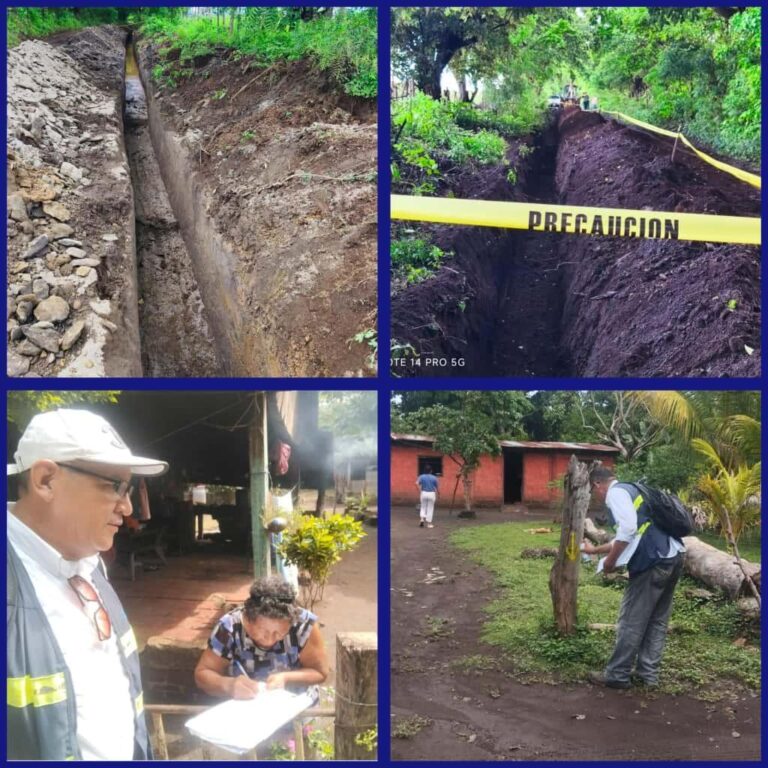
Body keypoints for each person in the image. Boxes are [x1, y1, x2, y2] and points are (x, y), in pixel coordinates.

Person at [7, 408, 169, 760]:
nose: (127, 508)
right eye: (115, 486)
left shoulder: (88, 563)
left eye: (130, 489)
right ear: (46, 480)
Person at [582, 467, 685, 689]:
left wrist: (610, 562)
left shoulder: (616, 493)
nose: (597, 495)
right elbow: (631, 532)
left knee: (631, 620)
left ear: (597, 484)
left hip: (652, 561)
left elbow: (627, 530)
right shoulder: (633, 490)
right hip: (673, 555)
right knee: (657, 620)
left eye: (594, 490)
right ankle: (648, 675)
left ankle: (617, 675)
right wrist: (594, 551)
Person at [194, 576, 329, 700]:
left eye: (279, 633)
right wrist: (229, 685)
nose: (270, 640)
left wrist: (286, 677)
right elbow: (202, 674)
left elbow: (320, 672)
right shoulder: (229, 627)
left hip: (297, 707)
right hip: (247, 706)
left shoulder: (303, 625)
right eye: (263, 631)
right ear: (248, 619)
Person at [416, 464, 439, 528]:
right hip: (431, 493)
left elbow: (416, 483)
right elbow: (437, 487)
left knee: (423, 507)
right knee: (430, 508)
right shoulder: (434, 478)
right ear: (431, 471)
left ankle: (422, 519)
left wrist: (419, 490)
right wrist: (439, 494)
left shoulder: (421, 476)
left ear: (424, 470)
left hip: (424, 493)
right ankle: (429, 524)